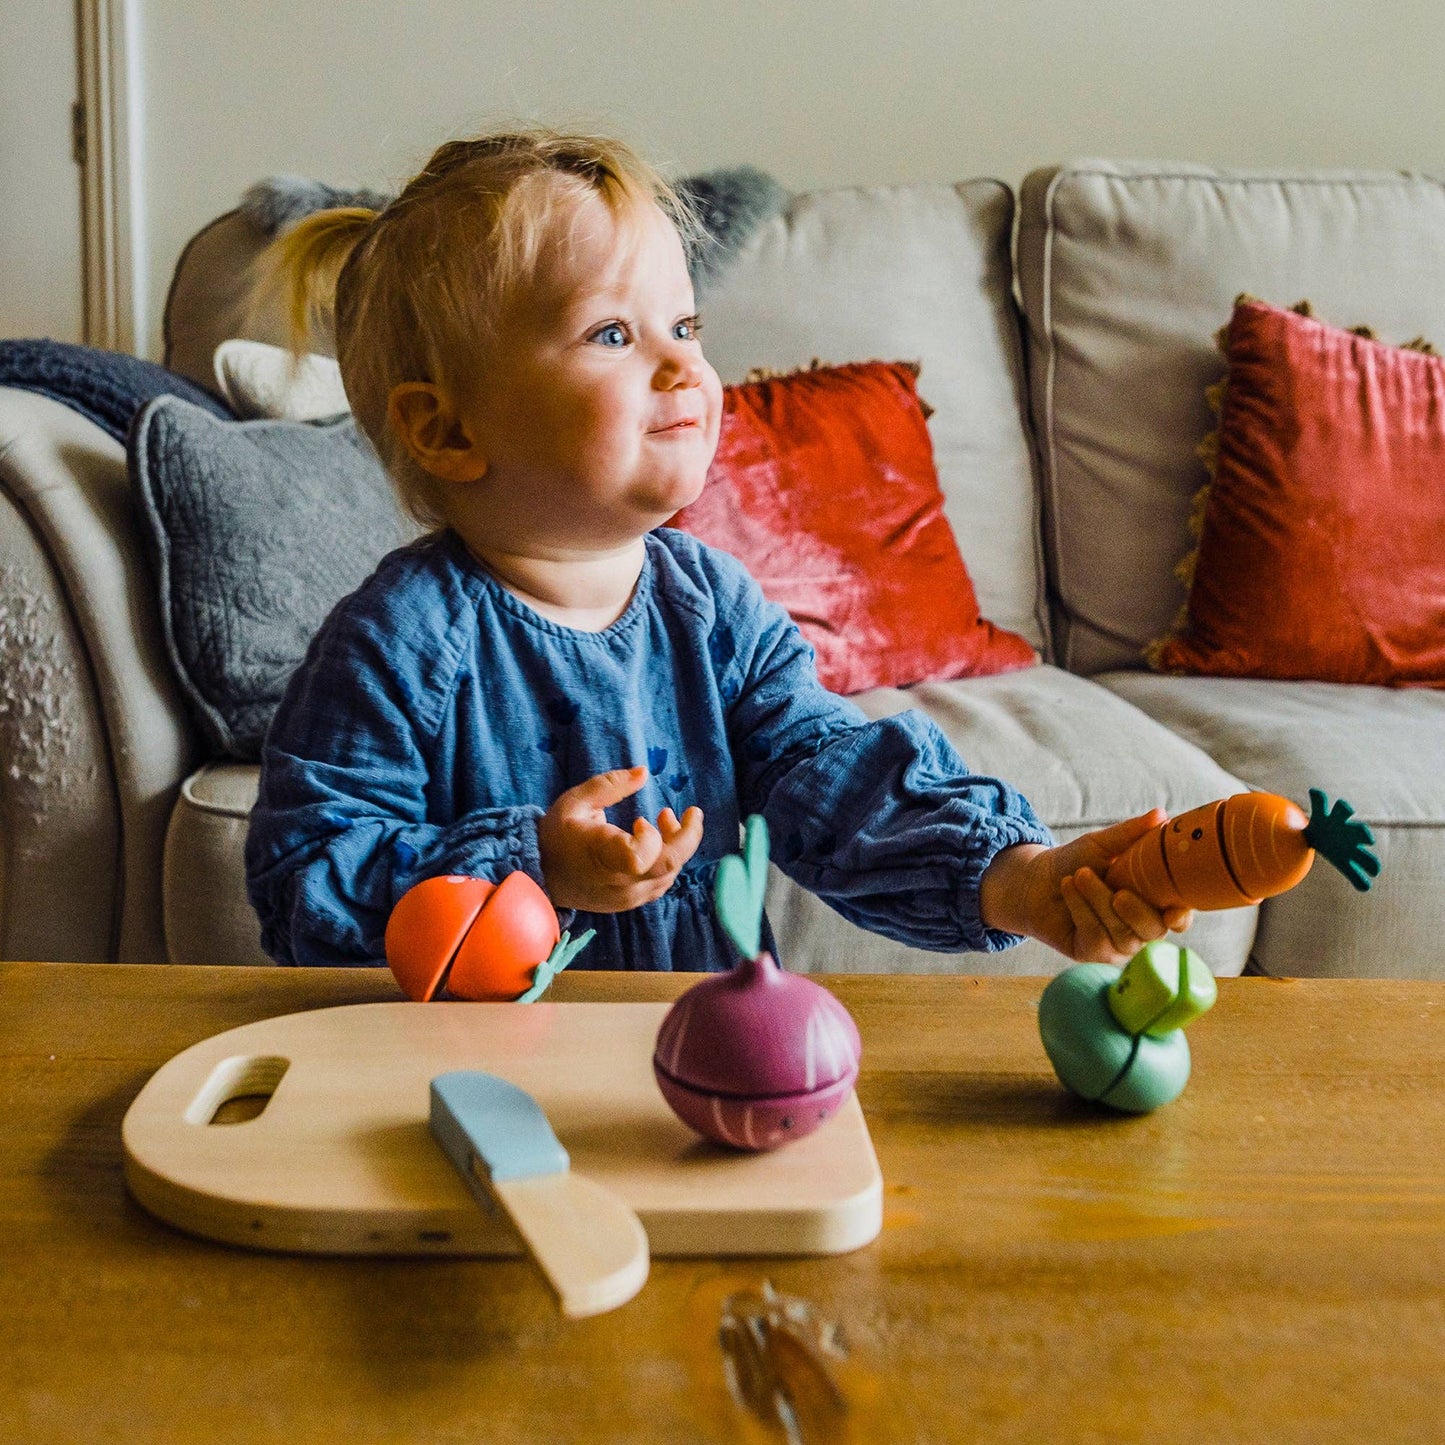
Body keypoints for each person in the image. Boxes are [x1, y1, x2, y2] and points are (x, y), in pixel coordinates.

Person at [244, 129, 1195, 973]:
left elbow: (834, 779)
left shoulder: (710, 605)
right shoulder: (397, 640)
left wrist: (1019, 879)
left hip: (700, 1052)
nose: (683, 364)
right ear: (447, 430)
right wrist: (532, 866)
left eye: (684, 325)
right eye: (612, 333)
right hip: (469, 1072)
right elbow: (304, 882)